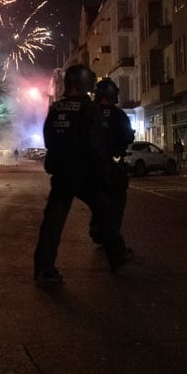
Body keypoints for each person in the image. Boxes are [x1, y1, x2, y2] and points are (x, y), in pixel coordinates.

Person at [34, 64, 122, 285]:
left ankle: (44, 269)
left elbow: (48, 137)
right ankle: (118, 257)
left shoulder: (56, 108)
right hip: (85, 173)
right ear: (85, 83)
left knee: (52, 222)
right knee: (104, 214)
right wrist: (102, 174)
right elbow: (95, 145)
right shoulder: (88, 109)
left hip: (62, 172)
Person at [89, 78, 136, 264]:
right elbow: (127, 136)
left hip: (93, 168)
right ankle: (113, 244)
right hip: (114, 166)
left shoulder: (90, 114)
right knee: (116, 203)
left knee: (98, 201)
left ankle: (96, 229)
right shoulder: (118, 115)